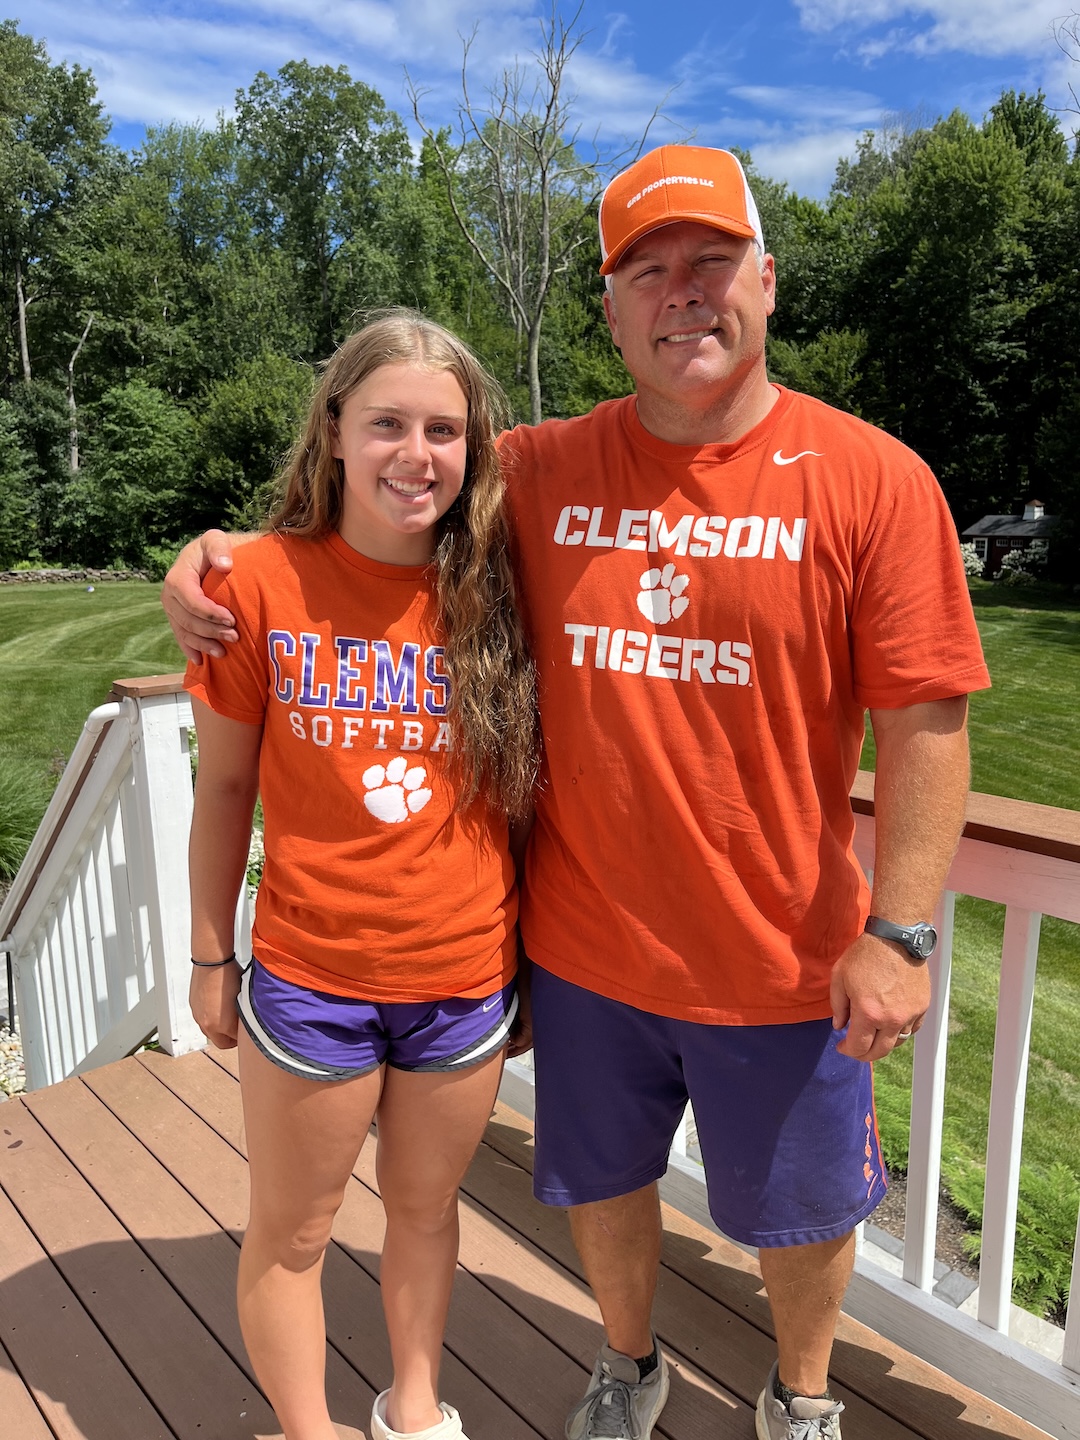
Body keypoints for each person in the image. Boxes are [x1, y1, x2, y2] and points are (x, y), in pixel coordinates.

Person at [166, 148, 989, 1440]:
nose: (683, 296)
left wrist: (899, 931)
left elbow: (930, 725)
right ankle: (625, 1364)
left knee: (806, 1207)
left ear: (767, 282)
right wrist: (210, 562)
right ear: (609, 312)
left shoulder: (873, 480)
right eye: (647, 272)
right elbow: (367, 509)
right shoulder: (536, 474)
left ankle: (805, 1397)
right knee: (603, 1184)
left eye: (712, 264)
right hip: (583, 949)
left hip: (782, 950)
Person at [184, 309, 538, 1440]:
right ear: (334, 429)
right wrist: (210, 955)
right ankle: (308, 1428)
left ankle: (415, 1407)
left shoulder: (501, 592)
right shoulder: (257, 586)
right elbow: (225, 792)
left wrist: (529, 958)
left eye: (444, 429)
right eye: (387, 422)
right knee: (294, 1230)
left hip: (463, 977)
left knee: (427, 1213)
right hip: (311, 980)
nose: (416, 453)